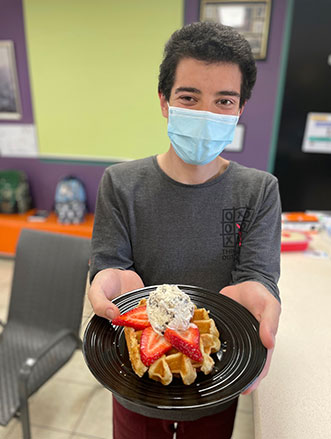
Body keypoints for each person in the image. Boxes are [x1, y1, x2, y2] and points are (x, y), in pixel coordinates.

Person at [88, 21, 281, 439]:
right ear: (164, 101)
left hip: (216, 380)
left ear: (241, 108)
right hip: (135, 385)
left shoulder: (260, 191)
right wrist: (109, 277)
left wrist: (261, 292)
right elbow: (111, 266)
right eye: (189, 97)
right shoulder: (120, 184)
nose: (206, 114)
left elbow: (259, 276)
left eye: (224, 100)